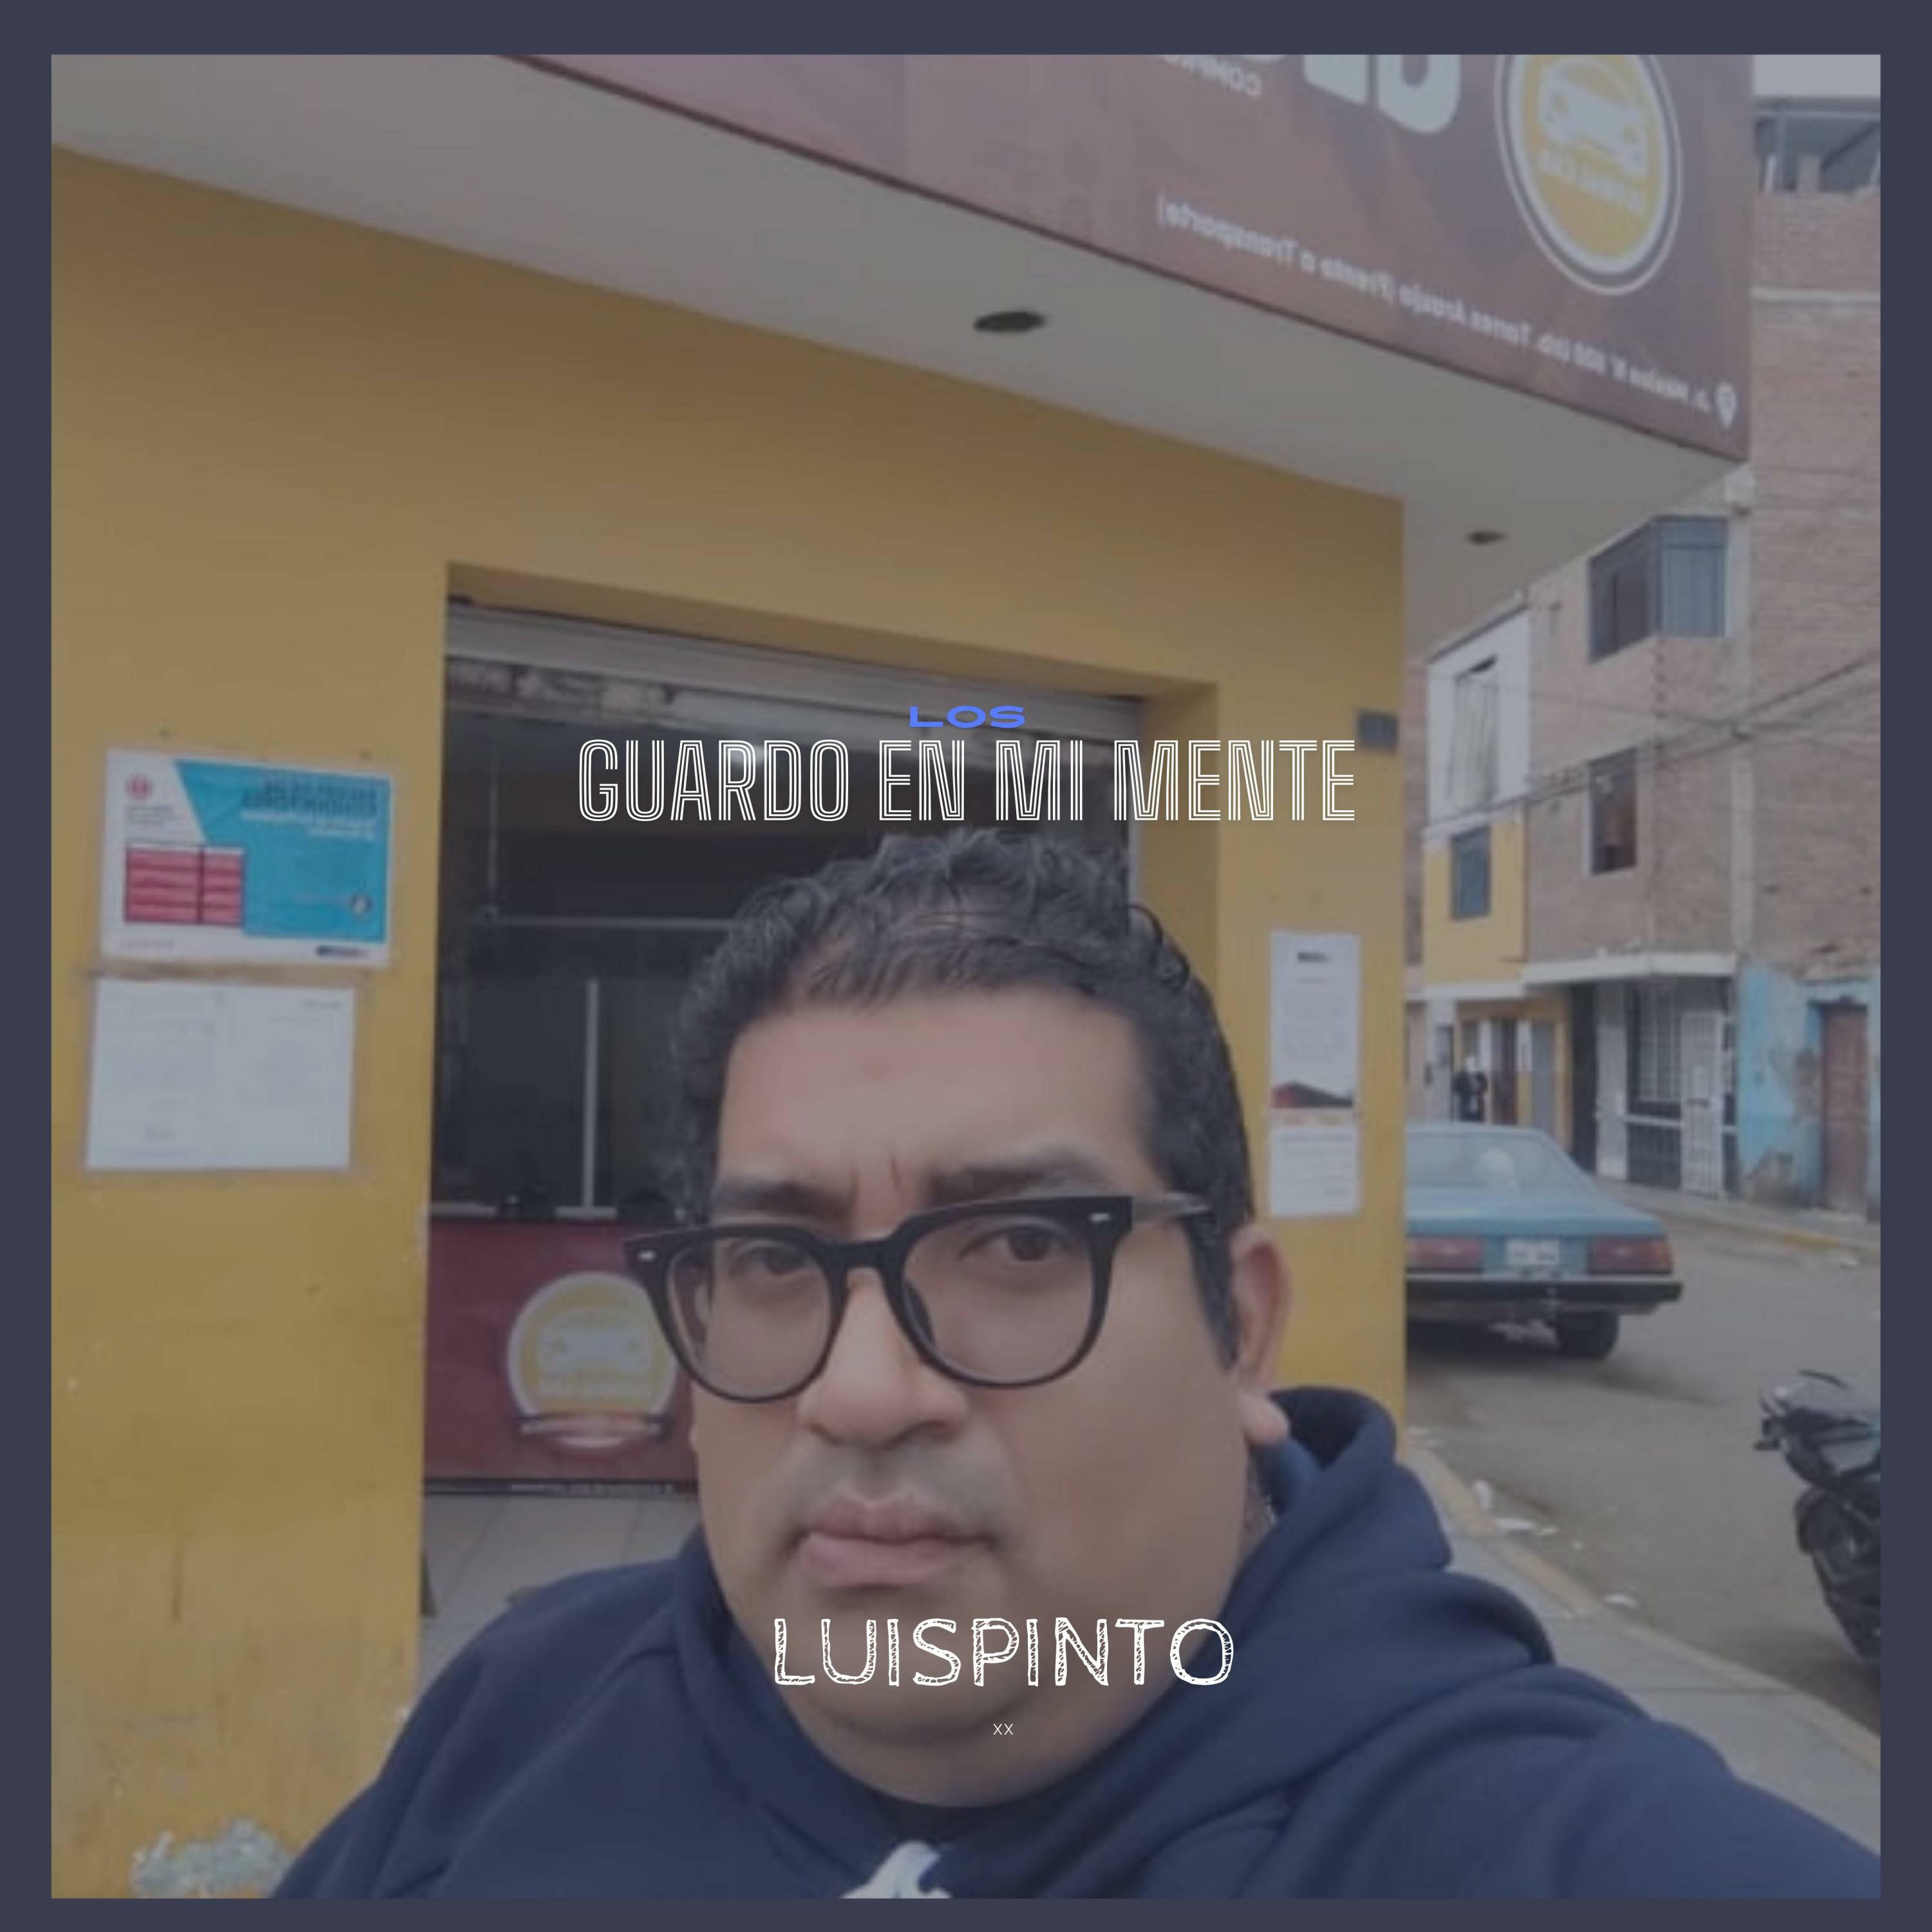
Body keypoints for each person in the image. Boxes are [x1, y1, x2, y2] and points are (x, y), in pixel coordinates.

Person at [276, 831, 1878, 1899]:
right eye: (773, 1260)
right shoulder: (513, 1714)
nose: (861, 1389)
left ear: (1240, 1325)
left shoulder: (1570, 1853)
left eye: (1023, 1243)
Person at [1451, 1057, 1490, 1123]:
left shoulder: (1480, 1075)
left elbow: (1485, 1087)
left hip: (1478, 1104)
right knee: (1465, 1121)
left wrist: (1479, 1088)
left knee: (1478, 1121)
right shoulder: (1461, 1076)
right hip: (1465, 1103)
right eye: (1469, 1063)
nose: (1471, 1065)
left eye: (1473, 1063)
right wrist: (1465, 1091)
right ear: (1466, 1065)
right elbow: (1456, 1089)